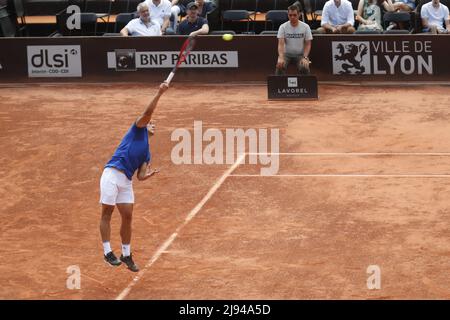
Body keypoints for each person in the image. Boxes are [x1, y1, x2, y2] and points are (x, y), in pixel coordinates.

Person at [99, 82, 169, 272]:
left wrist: (149, 175)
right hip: (112, 173)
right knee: (107, 213)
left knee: (128, 216)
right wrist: (159, 92)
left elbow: (140, 175)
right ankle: (107, 252)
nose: (153, 124)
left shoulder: (147, 153)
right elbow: (148, 113)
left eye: (154, 125)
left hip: (126, 181)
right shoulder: (137, 130)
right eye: (151, 123)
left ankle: (126, 254)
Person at [276, 4, 312, 75]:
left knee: (304, 67)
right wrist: (280, 57)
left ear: (299, 15)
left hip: (300, 55)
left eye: (295, 15)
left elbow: (308, 44)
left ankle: (306, 85)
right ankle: (280, 85)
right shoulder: (283, 27)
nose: (292, 17)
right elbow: (281, 44)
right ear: (288, 15)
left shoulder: (306, 27)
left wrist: (305, 57)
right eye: (290, 15)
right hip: (286, 55)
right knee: (280, 66)